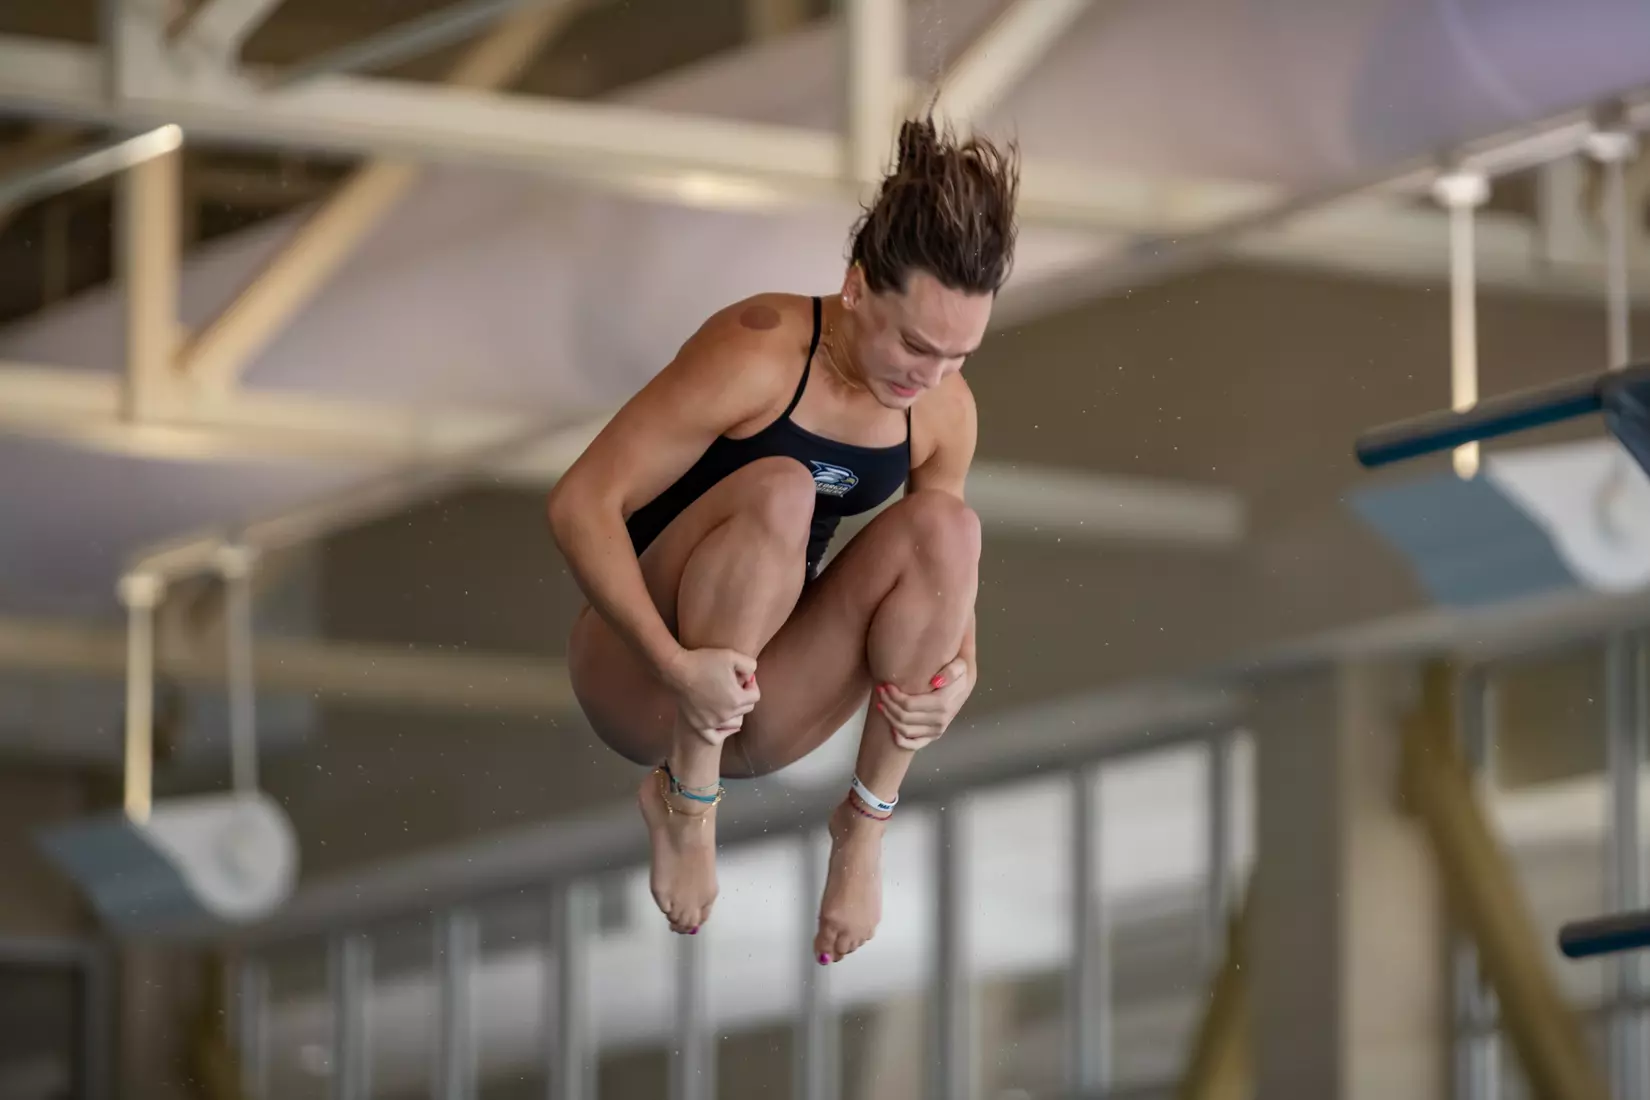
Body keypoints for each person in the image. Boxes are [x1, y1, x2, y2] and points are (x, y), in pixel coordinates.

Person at [547, 116, 1019, 964]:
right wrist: (671, 661)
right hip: (638, 676)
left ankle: (865, 828)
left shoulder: (944, 409)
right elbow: (580, 504)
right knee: (783, 485)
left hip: (760, 710)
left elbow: (949, 572)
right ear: (856, 287)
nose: (930, 377)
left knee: (951, 524)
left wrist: (964, 667)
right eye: (915, 344)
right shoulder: (756, 350)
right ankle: (686, 805)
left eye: (958, 355)